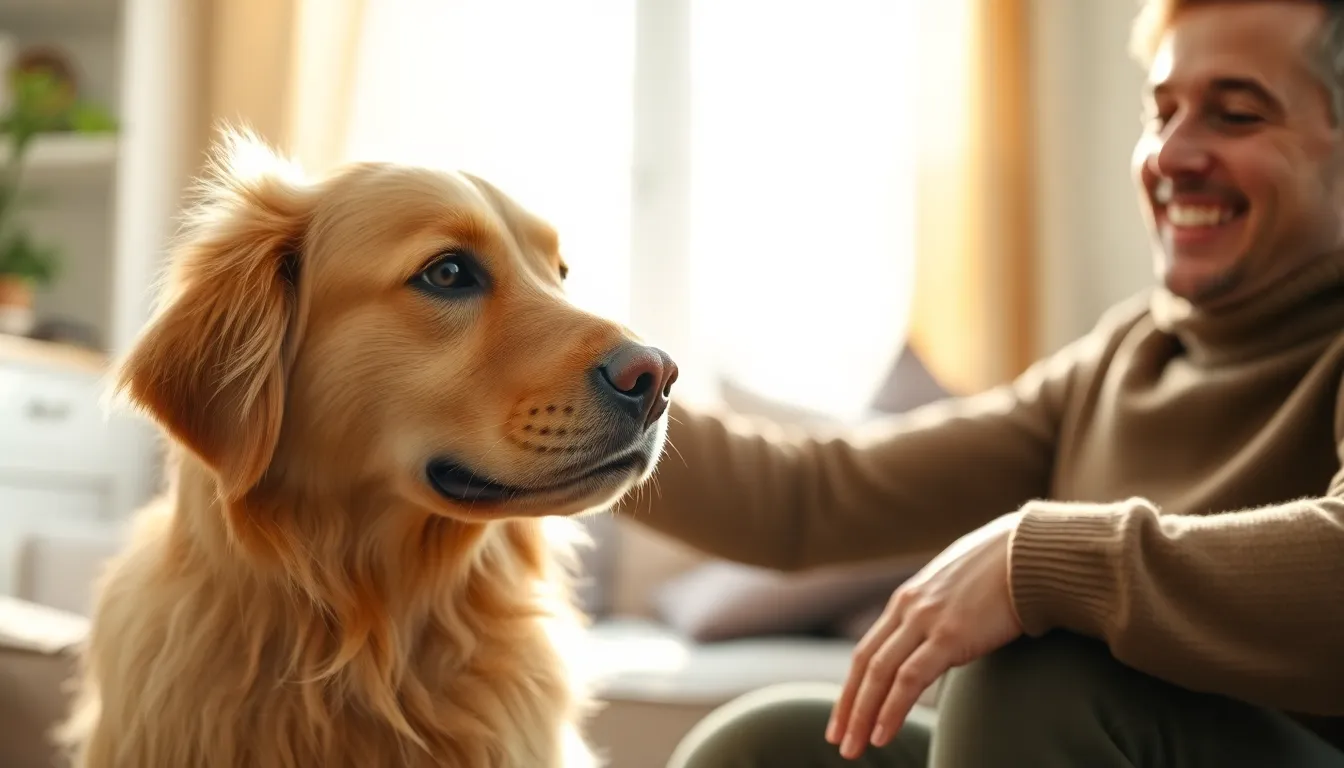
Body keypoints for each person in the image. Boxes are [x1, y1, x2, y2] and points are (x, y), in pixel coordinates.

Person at [632, 1, 1344, 765]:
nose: (1170, 156)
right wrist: (578, 390)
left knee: (1033, 672)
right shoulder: (1121, 362)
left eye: (1235, 115)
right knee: (766, 748)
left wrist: (1039, 560)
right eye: (1161, 112)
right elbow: (808, 498)